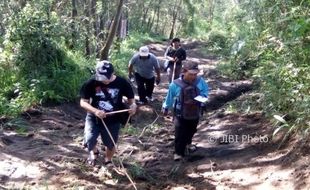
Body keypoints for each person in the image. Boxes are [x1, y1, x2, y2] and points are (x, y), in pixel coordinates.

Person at [80, 60, 137, 166]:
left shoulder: (122, 83)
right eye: (101, 77)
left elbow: (131, 101)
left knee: (110, 143)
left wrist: (133, 107)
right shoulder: (90, 83)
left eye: (106, 77)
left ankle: (108, 160)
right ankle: (94, 151)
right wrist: (95, 111)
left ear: (112, 73)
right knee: (89, 139)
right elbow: (83, 102)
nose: (104, 80)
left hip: (113, 119)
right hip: (94, 117)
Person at [162, 61, 208, 161]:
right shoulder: (175, 84)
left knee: (192, 129)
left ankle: (188, 143)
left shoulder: (200, 81)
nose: (193, 76)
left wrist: (202, 98)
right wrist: (165, 107)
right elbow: (169, 97)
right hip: (179, 112)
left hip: (195, 111)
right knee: (179, 132)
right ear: (184, 72)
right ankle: (178, 153)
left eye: (195, 74)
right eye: (191, 74)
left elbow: (205, 92)